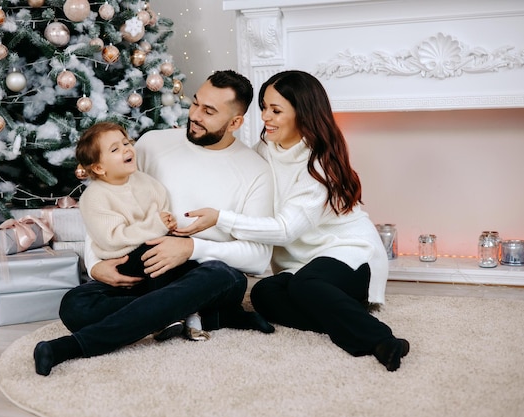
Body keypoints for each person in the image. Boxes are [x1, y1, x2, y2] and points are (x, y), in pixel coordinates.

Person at [33, 70, 276, 377]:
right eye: (196, 103)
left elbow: (258, 257)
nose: (195, 115)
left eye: (209, 111)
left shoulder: (255, 171)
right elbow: (109, 201)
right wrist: (95, 264)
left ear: (235, 123)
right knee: (75, 305)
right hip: (147, 269)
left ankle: (69, 347)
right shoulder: (153, 144)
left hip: (206, 274)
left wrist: (190, 248)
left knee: (222, 276)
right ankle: (202, 316)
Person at [175, 70, 410, 371]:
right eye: (263, 107)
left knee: (304, 286)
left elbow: (285, 229)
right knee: (263, 293)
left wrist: (220, 219)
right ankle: (343, 314)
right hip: (301, 268)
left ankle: (382, 340)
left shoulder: (320, 164)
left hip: (347, 253)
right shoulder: (265, 151)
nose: (265, 117)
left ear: (303, 114)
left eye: (275, 110)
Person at [73, 121, 208, 341]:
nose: (126, 149)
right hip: (123, 259)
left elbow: (162, 211)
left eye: (126, 143)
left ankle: (179, 312)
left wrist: (167, 222)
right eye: (115, 149)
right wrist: (157, 226)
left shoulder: (147, 183)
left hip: (150, 255)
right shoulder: (95, 197)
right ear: (99, 168)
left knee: (187, 261)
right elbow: (113, 239)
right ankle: (167, 313)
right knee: (76, 303)